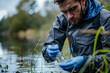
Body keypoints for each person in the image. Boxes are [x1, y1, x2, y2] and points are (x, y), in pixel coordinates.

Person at [42, 0, 110, 72]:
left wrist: (85, 61)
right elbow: (47, 54)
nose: (69, 17)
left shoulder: (105, 18)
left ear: (83, 1)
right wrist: (48, 52)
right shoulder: (62, 19)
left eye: (72, 9)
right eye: (64, 11)